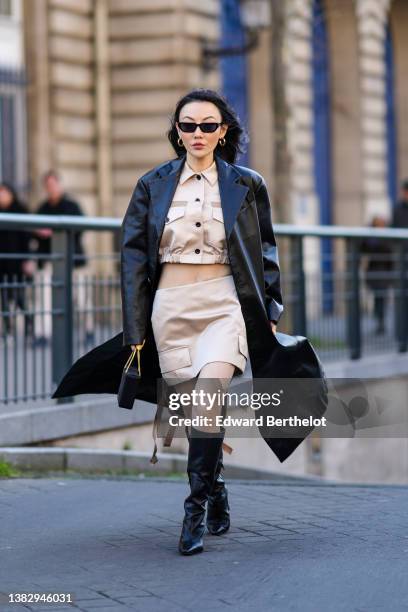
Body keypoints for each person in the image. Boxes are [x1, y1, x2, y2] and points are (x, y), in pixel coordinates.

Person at [121, 88, 284, 555]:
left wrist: (271, 310)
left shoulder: (246, 184)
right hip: (170, 307)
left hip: (224, 303)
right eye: (188, 125)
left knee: (210, 396)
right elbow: (132, 260)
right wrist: (135, 329)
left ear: (223, 131)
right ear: (176, 131)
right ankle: (215, 487)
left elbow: (265, 250)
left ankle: (192, 512)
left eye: (207, 125)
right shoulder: (152, 184)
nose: (197, 133)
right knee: (197, 412)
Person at [32, 171, 90, 343]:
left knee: (82, 297)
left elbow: (80, 228)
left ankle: (88, 330)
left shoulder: (72, 205)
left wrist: (54, 232)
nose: (51, 188)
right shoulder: (42, 208)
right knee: (42, 298)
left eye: (53, 184)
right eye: (48, 186)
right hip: (48, 260)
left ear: (59, 184)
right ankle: (43, 334)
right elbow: (34, 232)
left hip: (73, 261)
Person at [0, 182, 35, 338]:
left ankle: (29, 326)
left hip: (18, 263)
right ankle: (8, 331)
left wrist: (27, 260)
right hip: (2, 265)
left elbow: (27, 238)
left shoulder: (20, 210)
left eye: (4, 192)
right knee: (5, 301)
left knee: (21, 299)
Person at [360, 215, 393, 334]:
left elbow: (389, 252)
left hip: (384, 272)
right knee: (378, 297)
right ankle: (380, 321)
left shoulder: (387, 236)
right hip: (375, 272)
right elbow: (363, 247)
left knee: (381, 297)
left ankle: (381, 321)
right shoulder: (371, 238)